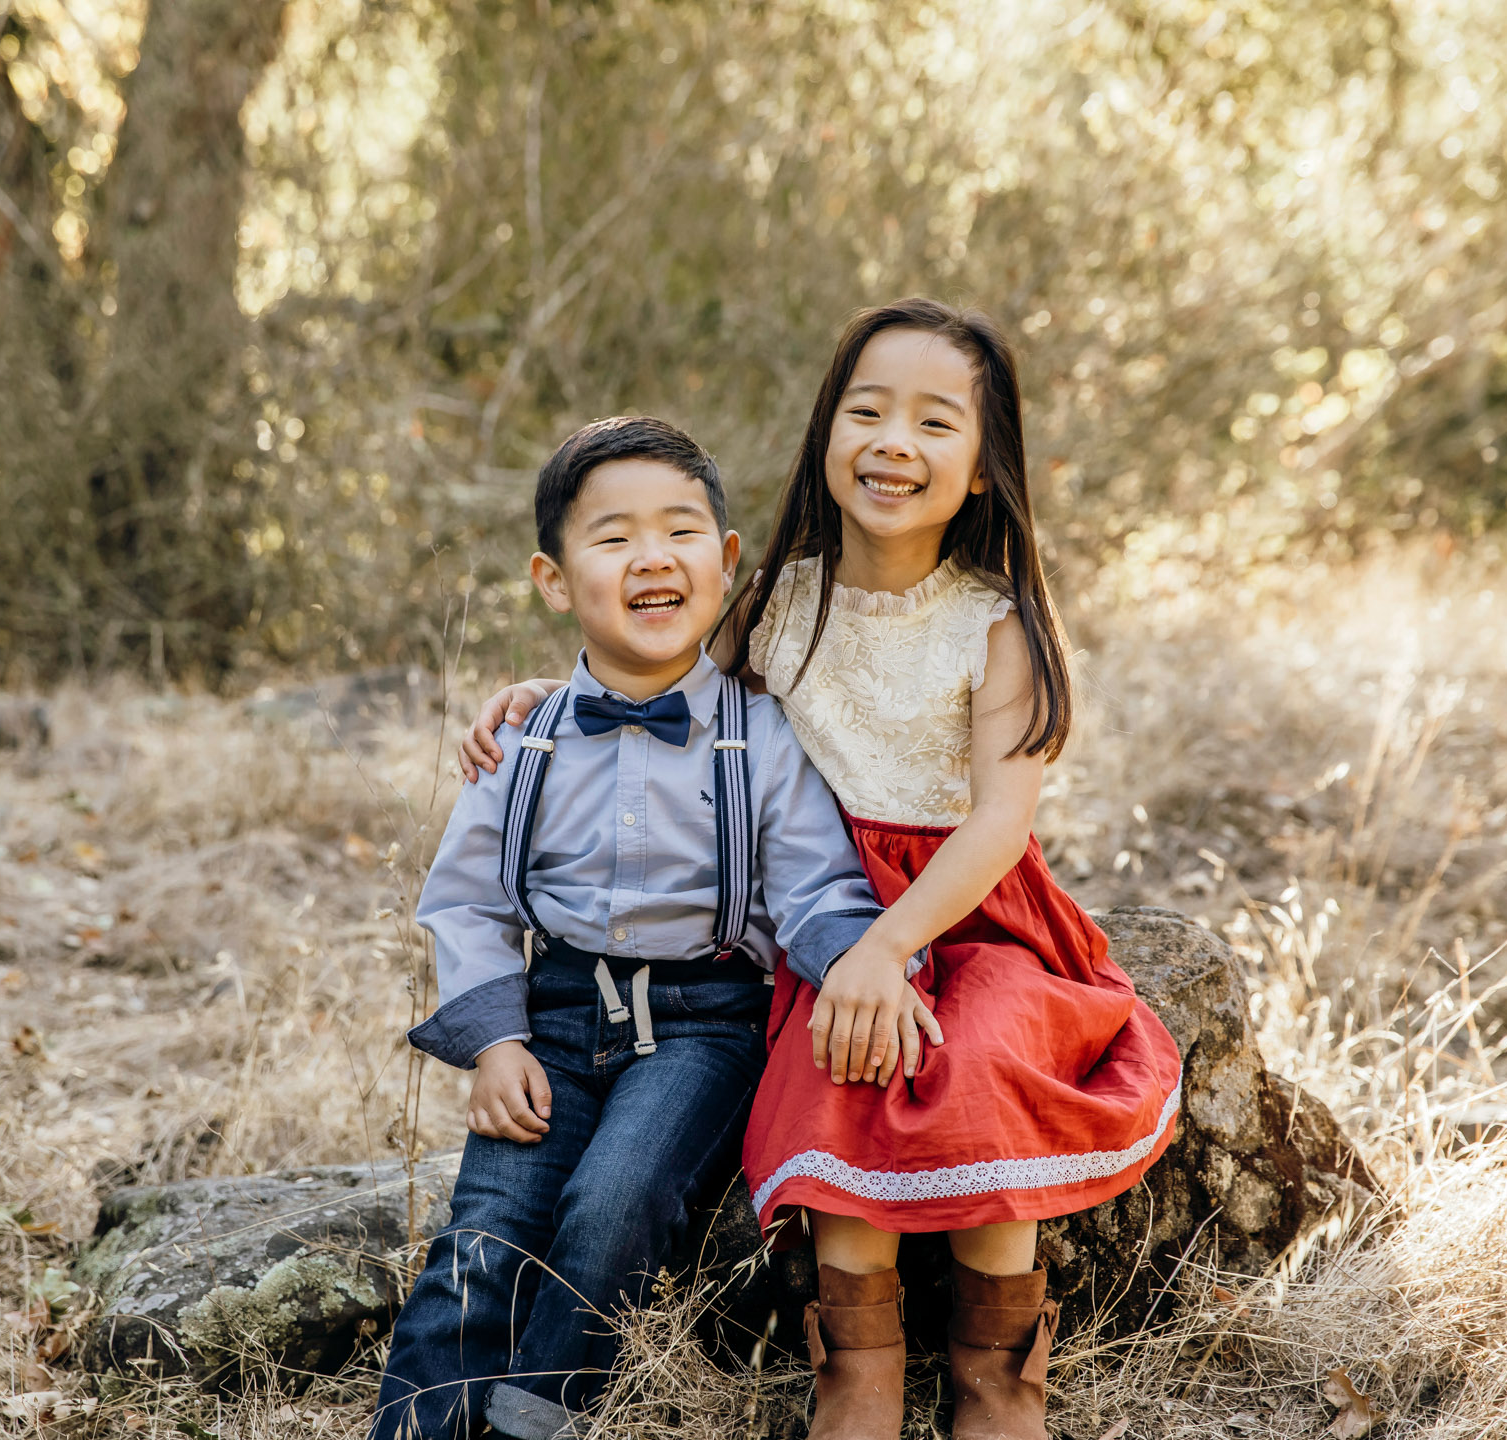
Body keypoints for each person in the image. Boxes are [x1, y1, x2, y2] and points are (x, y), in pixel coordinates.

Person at [457, 299, 1183, 1440]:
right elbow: (664, 682)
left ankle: (997, 1378)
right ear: (826, 432)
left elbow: (999, 824)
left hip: (969, 916)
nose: (896, 441)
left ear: (986, 466)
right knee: (840, 1074)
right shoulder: (781, 602)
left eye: (936, 422)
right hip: (822, 908)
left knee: (979, 1063)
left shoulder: (997, 624)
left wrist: (889, 948)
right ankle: (859, 1367)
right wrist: (549, 703)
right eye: (869, 410)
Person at [377, 415, 910, 1440]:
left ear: (724, 561)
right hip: (552, 1013)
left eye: (679, 531)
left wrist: (865, 960)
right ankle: (420, 1425)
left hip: (705, 1027)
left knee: (615, 1206)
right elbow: (467, 902)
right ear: (553, 578)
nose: (651, 556)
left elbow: (811, 884)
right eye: (613, 536)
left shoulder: (763, 733)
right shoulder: (521, 742)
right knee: (487, 1231)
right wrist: (495, 1043)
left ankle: (534, 1423)